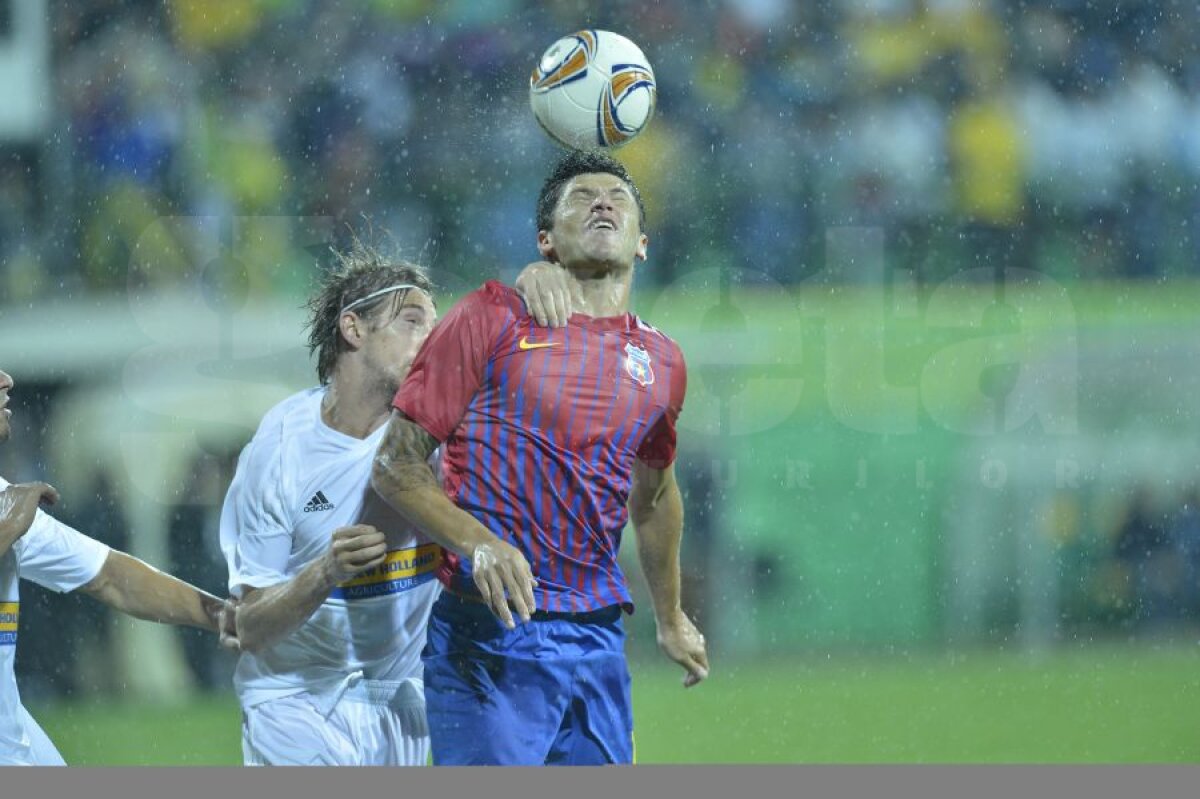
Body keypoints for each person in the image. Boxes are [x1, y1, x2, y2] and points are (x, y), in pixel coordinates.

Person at [371, 149, 710, 766]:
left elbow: (655, 497)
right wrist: (479, 543)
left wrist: (670, 616)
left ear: (642, 244)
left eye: (618, 196)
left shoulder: (662, 362)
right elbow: (396, 465)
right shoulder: (489, 318)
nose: (603, 202)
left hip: (599, 639)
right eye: (581, 196)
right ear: (546, 239)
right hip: (490, 634)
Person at [218, 239, 577, 766]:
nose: (431, 340)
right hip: (295, 698)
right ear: (353, 328)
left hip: (403, 703)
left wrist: (529, 286)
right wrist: (325, 572)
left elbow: (524, 373)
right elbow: (248, 627)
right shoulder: (279, 449)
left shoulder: (443, 436)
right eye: (411, 321)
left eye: (435, 327)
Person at [0, 368, 228, 766]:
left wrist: (230, 617)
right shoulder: (10, 513)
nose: (6, 380)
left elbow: (112, 576)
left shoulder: (5, 498)